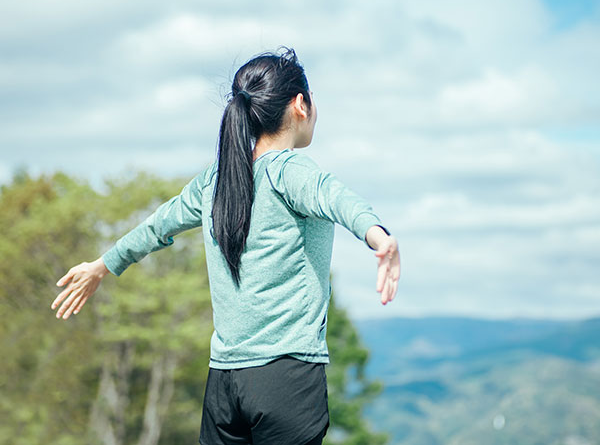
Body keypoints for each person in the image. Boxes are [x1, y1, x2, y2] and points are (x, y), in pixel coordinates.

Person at [51, 46, 400, 445]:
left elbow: (157, 226)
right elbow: (337, 199)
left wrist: (103, 264)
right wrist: (379, 235)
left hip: (224, 385)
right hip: (286, 379)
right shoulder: (290, 170)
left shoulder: (215, 179)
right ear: (300, 104)